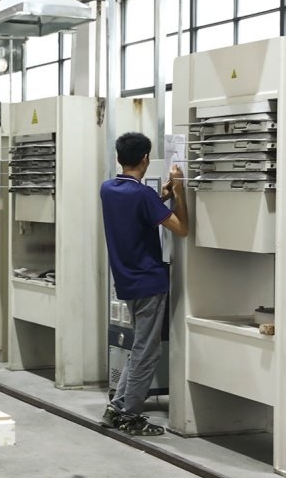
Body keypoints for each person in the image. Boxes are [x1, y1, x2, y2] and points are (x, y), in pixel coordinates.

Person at [99, 132, 188, 436]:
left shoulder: (108, 189)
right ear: (146, 159)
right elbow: (183, 229)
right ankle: (129, 413)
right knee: (147, 351)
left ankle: (118, 407)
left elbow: (136, 213)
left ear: (118, 157)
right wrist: (179, 192)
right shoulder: (143, 195)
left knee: (140, 346)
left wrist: (160, 198)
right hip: (149, 281)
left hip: (125, 279)